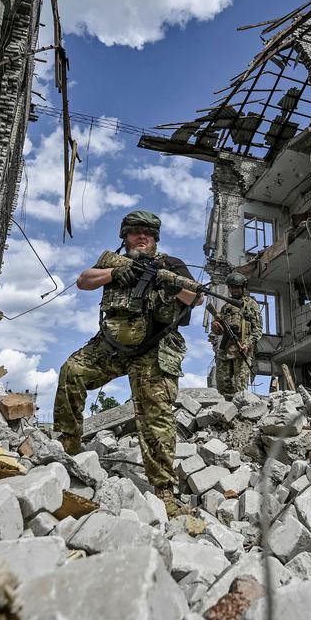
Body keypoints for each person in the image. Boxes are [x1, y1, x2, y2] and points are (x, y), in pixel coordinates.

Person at [51, 210, 199, 516]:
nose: (141, 237)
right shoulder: (113, 260)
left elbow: (195, 297)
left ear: (156, 239)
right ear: (125, 236)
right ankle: (68, 451)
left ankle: (164, 492)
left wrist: (165, 280)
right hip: (112, 345)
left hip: (153, 349)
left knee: (156, 416)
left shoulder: (171, 264)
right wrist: (115, 274)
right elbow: (84, 281)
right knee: (72, 372)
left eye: (148, 233)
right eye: (135, 232)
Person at [210, 272, 263, 395]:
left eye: (237, 287)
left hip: (242, 351)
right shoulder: (226, 307)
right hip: (225, 351)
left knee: (240, 390)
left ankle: (239, 412)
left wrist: (247, 344)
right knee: (222, 387)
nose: (235, 290)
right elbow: (218, 328)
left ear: (243, 287)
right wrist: (215, 326)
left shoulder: (251, 304)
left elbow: (258, 329)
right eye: (232, 287)